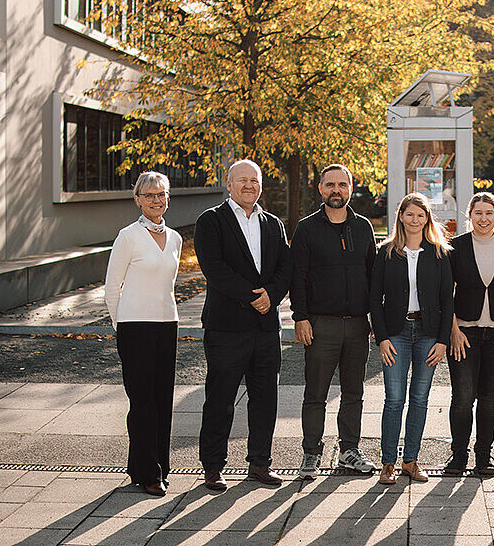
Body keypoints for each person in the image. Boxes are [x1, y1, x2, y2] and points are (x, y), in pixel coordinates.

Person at [195, 159, 293, 491]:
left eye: (255, 180)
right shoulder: (211, 221)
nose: (249, 185)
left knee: (265, 399)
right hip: (226, 328)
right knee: (220, 398)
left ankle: (259, 463)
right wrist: (253, 296)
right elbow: (214, 268)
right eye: (242, 180)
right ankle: (212, 466)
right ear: (229, 183)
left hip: (266, 328)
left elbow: (285, 267)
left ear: (261, 186)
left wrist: (273, 295)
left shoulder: (273, 223)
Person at [291, 164, 377, 479]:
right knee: (315, 393)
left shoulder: (364, 227)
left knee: (354, 392)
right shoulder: (306, 228)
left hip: (357, 324)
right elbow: (296, 277)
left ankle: (349, 451)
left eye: (342, 185)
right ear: (321, 189)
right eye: (330, 185)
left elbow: (373, 275)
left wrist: (374, 320)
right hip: (319, 324)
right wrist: (300, 317)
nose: (336, 190)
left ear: (351, 189)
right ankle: (311, 454)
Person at [104, 171, 182, 497]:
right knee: (142, 402)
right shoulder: (128, 237)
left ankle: (151, 467)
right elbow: (111, 288)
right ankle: (149, 472)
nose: (156, 200)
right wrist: (120, 326)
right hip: (134, 327)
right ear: (137, 199)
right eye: (149, 195)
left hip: (168, 323)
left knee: (163, 400)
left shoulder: (176, 238)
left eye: (161, 194)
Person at [370, 193, 453, 485]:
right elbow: (374, 299)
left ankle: (411, 460)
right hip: (396, 334)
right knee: (394, 399)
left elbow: (447, 299)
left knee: (419, 398)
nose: (415, 220)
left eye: (420, 215)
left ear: (427, 219)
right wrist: (381, 338)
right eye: (410, 215)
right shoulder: (386, 252)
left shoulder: (439, 253)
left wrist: (443, 340)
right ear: (401, 218)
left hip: (428, 335)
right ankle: (388, 463)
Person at [444, 193, 494, 476]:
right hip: (463, 335)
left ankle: (484, 456)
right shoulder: (455, 247)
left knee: (490, 397)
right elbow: (445, 294)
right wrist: (452, 330)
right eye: (478, 213)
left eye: (489, 213)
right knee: (463, 397)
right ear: (470, 216)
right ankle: (457, 455)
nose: (483, 218)